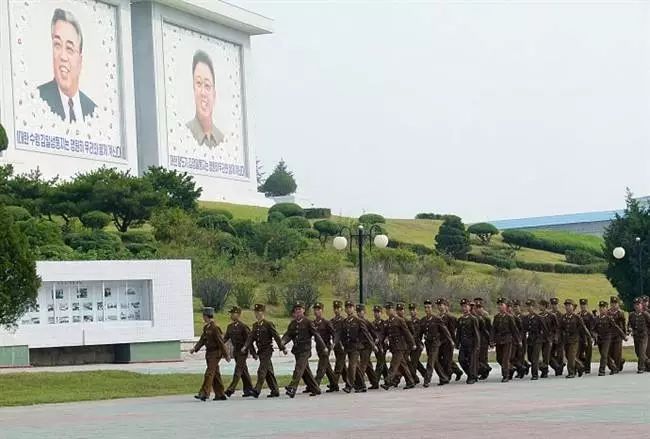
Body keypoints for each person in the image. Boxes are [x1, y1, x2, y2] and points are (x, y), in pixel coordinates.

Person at [39, 8, 96, 123]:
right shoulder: (38, 99)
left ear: (80, 61)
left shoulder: (93, 111)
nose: (63, 56)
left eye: (69, 48)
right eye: (57, 45)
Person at [281, 302, 327, 398]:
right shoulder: (293, 324)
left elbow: (316, 335)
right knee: (305, 371)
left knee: (298, 368)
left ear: (303, 310)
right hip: (297, 350)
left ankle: (292, 387)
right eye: (296, 309)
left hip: (305, 350)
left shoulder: (308, 322)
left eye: (300, 309)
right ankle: (316, 389)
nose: (298, 311)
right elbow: (288, 335)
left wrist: (323, 347)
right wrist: (282, 342)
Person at [243, 303, 286, 398]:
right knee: (268, 371)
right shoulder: (255, 325)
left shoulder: (268, 324)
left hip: (267, 350)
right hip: (261, 351)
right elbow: (250, 338)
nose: (257, 314)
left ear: (263, 312)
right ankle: (275, 390)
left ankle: (257, 390)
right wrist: (245, 346)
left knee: (261, 370)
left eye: (259, 312)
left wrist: (282, 348)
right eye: (256, 312)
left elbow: (276, 336)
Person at [189, 307, 230, 401]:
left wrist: (226, 355)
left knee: (209, 373)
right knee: (215, 373)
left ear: (206, 316)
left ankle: (204, 393)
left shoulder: (215, 328)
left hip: (215, 353)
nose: (203, 318)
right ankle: (220, 394)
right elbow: (202, 340)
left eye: (203, 316)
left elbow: (221, 343)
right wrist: (195, 348)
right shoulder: (206, 327)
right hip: (209, 353)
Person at [186, 50, 224, 148]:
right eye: (198, 83)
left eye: (207, 85)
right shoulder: (185, 133)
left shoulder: (222, 139)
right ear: (193, 89)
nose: (203, 93)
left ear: (214, 94)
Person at [334, 301, 374, 393]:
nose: (348, 309)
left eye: (350, 307)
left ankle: (349, 385)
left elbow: (366, 333)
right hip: (348, 347)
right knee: (356, 367)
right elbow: (339, 333)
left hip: (356, 347)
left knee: (351, 366)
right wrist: (335, 342)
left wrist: (373, 344)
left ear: (353, 309)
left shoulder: (358, 320)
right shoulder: (344, 321)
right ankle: (362, 385)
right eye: (347, 307)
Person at [381, 302, 416, 390]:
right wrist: (386, 338)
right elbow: (389, 334)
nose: (387, 311)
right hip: (394, 347)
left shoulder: (399, 320)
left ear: (393, 310)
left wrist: (413, 343)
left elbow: (407, 332)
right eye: (386, 310)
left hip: (400, 346)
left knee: (393, 365)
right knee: (403, 365)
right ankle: (410, 382)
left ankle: (388, 382)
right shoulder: (389, 321)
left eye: (389, 309)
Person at [419, 299, 453, 386]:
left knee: (430, 361)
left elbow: (445, 331)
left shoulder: (436, 319)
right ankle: (444, 378)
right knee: (436, 362)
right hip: (428, 343)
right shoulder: (423, 320)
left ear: (432, 308)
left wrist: (451, 341)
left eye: (429, 307)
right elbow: (418, 333)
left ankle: (427, 380)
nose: (427, 309)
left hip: (435, 343)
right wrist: (417, 343)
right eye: (425, 307)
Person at [223, 306, 255, 397]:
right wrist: (219, 345)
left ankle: (231, 389)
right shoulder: (230, 327)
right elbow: (225, 339)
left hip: (242, 352)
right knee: (243, 370)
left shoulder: (243, 327)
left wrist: (253, 352)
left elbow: (249, 340)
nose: (231, 315)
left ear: (238, 314)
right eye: (231, 313)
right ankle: (249, 389)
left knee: (238, 370)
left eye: (233, 313)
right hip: (236, 352)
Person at [490, 297, 520, 383]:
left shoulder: (510, 317)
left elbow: (514, 330)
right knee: (499, 358)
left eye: (501, 305)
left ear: (506, 306)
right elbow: (493, 330)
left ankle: (505, 375)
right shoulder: (496, 317)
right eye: (498, 305)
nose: (500, 307)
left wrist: (518, 341)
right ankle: (511, 368)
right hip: (499, 341)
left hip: (507, 340)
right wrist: (491, 340)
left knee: (505, 359)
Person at [592, 300, 625, 376]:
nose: (601, 309)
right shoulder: (596, 319)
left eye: (603, 307)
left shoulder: (609, 318)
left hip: (607, 338)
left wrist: (623, 336)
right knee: (605, 355)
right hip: (599, 339)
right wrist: (594, 335)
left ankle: (601, 370)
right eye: (600, 307)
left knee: (604, 354)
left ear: (607, 309)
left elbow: (616, 327)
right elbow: (593, 329)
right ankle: (613, 367)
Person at [560, 299, 591, 378]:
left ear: (573, 307)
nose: (567, 307)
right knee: (568, 356)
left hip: (574, 340)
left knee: (571, 356)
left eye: (569, 306)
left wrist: (589, 337)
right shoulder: (563, 317)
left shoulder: (577, 317)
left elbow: (584, 328)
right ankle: (580, 366)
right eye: (566, 306)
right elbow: (560, 328)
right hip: (566, 340)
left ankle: (571, 372)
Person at [312, 302, 338, 392]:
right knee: (327, 367)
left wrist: (334, 343)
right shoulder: (313, 323)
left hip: (326, 347)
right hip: (318, 347)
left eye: (318, 310)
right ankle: (334, 385)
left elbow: (334, 333)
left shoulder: (326, 323)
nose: (316, 311)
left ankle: (315, 385)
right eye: (315, 310)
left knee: (321, 366)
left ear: (322, 311)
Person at [437, 298, 464, 382]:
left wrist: (455, 342)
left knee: (447, 360)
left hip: (448, 342)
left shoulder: (450, 317)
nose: (440, 307)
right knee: (441, 359)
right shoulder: (437, 317)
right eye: (438, 305)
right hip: (440, 342)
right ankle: (458, 371)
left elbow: (453, 331)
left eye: (441, 305)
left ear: (445, 306)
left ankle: (447, 376)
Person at [456, 299, 480, 384]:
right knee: (461, 360)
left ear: (469, 307)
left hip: (472, 343)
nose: (464, 308)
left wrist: (477, 345)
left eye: (466, 306)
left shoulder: (473, 319)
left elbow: (476, 333)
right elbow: (458, 332)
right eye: (462, 306)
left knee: (471, 360)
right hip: (463, 343)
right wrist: (457, 343)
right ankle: (471, 374)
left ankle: (472, 377)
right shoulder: (460, 319)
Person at [355, 304, 379, 390]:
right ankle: (375, 383)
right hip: (360, 346)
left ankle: (359, 384)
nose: (358, 313)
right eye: (357, 312)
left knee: (363, 365)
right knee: (368, 365)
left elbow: (373, 332)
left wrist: (375, 340)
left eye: (360, 312)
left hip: (367, 346)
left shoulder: (367, 322)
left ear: (364, 312)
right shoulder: (356, 321)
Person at [522, 299, 547, 380]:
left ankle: (534, 375)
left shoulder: (539, 318)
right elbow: (524, 329)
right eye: (528, 306)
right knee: (530, 358)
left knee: (534, 358)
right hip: (530, 340)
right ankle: (543, 367)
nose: (529, 308)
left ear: (534, 307)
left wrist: (544, 339)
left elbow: (544, 329)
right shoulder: (526, 318)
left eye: (531, 306)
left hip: (537, 340)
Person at [404, 303, 427, 384]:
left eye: (413, 310)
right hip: (410, 345)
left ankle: (413, 379)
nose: (412, 312)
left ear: (416, 311)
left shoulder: (419, 322)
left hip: (417, 345)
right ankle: (425, 374)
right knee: (416, 362)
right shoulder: (408, 321)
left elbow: (416, 334)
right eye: (410, 310)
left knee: (413, 362)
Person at [627, 297, 650, 373]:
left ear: (641, 305)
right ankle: (648, 363)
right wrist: (629, 329)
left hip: (644, 336)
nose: (637, 306)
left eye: (638, 304)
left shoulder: (645, 314)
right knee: (638, 352)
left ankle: (641, 368)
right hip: (636, 336)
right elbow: (629, 324)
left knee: (642, 351)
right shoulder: (631, 315)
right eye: (635, 304)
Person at [473, 297, 492, 380]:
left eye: (479, 303)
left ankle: (485, 371)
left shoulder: (485, 315)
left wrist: (490, 340)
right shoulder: (473, 315)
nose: (478, 308)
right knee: (477, 357)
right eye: (476, 303)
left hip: (484, 338)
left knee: (483, 357)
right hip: (476, 338)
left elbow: (488, 329)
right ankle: (482, 370)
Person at [330, 300, 348, 389]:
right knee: (342, 366)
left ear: (341, 309)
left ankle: (334, 384)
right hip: (335, 346)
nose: (336, 310)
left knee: (338, 365)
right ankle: (349, 381)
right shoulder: (332, 321)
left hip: (342, 346)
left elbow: (343, 333)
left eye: (338, 308)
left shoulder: (344, 320)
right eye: (335, 308)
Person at [538, 299, 557, 378]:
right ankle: (556, 367)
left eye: (541, 305)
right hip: (540, 338)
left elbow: (556, 327)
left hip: (548, 338)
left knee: (546, 355)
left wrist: (554, 337)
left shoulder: (551, 316)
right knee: (539, 356)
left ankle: (545, 371)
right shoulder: (539, 316)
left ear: (545, 306)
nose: (539, 306)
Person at [510, 300, 529, 379]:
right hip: (514, 339)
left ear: (520, 307)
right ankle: (525, 365)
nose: (515, 308)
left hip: (522, 338)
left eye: (516, 307)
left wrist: (520, 338)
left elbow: (524, 329)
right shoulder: (512, 317)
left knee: (520, 355)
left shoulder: (524, 317)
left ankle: (520, 372)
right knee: (514, 356)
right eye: (514, 307)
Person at [577, 298, 595, 374]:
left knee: (588, 353)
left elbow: (592, 327)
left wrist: (591, 337)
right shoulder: (578, 315)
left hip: (588, 336)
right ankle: (580, 367)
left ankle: (587, 368)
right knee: (579, 353)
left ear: (586, 305)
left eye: (584, 305)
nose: (583, 306)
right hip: (579, 337)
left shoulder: (590, 315)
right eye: (581, 305)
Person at [608, 296, 626, 372]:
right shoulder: (607, 313)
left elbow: (623, 325)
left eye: (615, 303)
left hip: (618, 336)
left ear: (618, 304)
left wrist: (624, 334)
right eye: (612, 303)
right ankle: (620, 361)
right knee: (610, 353)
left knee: (617, 353)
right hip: (609, 336)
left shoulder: (621, 313)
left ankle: (617, 367)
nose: (614, 305)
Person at [372, 305, 389, 381]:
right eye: (375, 312)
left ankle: (375, 380)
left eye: (378, 312)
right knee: (382, 362)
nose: (376, 314)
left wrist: (387, 338)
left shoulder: (385, 324)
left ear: (381, 313)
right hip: (376, 346)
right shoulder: (372, 324)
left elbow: (388, 333)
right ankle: (387, 378)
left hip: (383, 346)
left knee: (380, 362)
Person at [549, 297, 565, 376]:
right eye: (552, 304)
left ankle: (559, 369)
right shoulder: (549, 315)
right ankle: (557, 367)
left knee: (560, 355)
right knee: (549, 355)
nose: (554, 306)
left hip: (560, 338)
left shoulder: (561, 315)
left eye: (555, 304)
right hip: (551, 338)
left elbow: (562, 327)